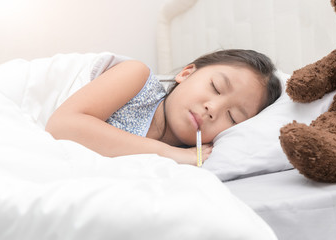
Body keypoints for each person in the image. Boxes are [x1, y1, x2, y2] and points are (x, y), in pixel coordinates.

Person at [45, 49, 282, 165]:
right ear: (186, 73)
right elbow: (63, 126)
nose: (213, 108)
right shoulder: (136, 76)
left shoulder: (194, 161)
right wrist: (171, 153)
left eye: (232, 117)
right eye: (216, 87)